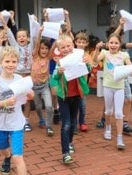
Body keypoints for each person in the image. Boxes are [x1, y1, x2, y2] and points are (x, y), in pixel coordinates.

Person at [0, 46, 34, 175]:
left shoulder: (20, 79)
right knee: (2, 148)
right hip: (0, 123)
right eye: (7, 61)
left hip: (16, 123)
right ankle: (6, 156)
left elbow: (29, 94)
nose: (11, 65)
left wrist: (31, 94)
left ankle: (12, 158)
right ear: (1, 62)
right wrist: (3, 103)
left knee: (18, 157)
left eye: (14, 61)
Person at [52, 34, 91, 164]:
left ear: (73, 45)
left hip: (77, 96)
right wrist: (59, 73)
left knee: (73, 123)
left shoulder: (78, 57)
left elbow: (87, 70)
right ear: (59, 49)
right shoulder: (59, 63)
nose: (66, 49)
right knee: (66, 124)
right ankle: (65, 153)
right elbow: (54, 79)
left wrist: (87, 64)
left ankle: (69, 143)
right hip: (63, 97)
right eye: (63, 47)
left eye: (68, 46)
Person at [93, 33, 132, 150]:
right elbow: (95, 61)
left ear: (119, 44)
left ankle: (119, 137)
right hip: (107, 86)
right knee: (108, 110)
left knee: (118, 113)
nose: (113, 45)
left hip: (119, 87)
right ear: (108, 44)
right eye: (111, 42)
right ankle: (107, 128)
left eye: (116, 43)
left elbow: (131, 68)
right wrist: (97, 49)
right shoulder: (104, 53)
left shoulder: (124, 55)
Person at [0, 13, 36, 131]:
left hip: (27, 75)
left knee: (26, 99)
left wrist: (34, 22)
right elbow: (9, 33)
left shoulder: (31, 46)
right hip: (17, 75)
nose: (21, 38)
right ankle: (14, 119)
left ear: (27, 37)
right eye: (19, 36)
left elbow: (36, 35)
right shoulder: (15, 46)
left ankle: (26, 121)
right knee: (15, 98)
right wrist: (4, 22)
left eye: (23, 36)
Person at [31, 26, 57, 136]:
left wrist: (58, 36)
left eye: (46, 48)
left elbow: (54, 46)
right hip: (34, 86)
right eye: (42, 48)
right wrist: (40, 32)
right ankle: (41, 119)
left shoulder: (48, 58)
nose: (44, 50)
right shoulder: (35, 56)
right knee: (37, 106)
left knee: (49, 106)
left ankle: (49, 126)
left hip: (45, 85)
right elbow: (37, 44)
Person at [73, 31, 92, 132]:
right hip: (73, 84)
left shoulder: (87, 55)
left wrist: (86, 64)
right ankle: (74, 124)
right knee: (74, 105)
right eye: (79, 42)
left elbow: (89, 70)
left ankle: (82, 122)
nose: (81, 44)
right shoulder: (72, 53)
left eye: (83, 42)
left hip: (83, 83)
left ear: (86, 43)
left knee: (83, 105)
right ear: (75, 42)